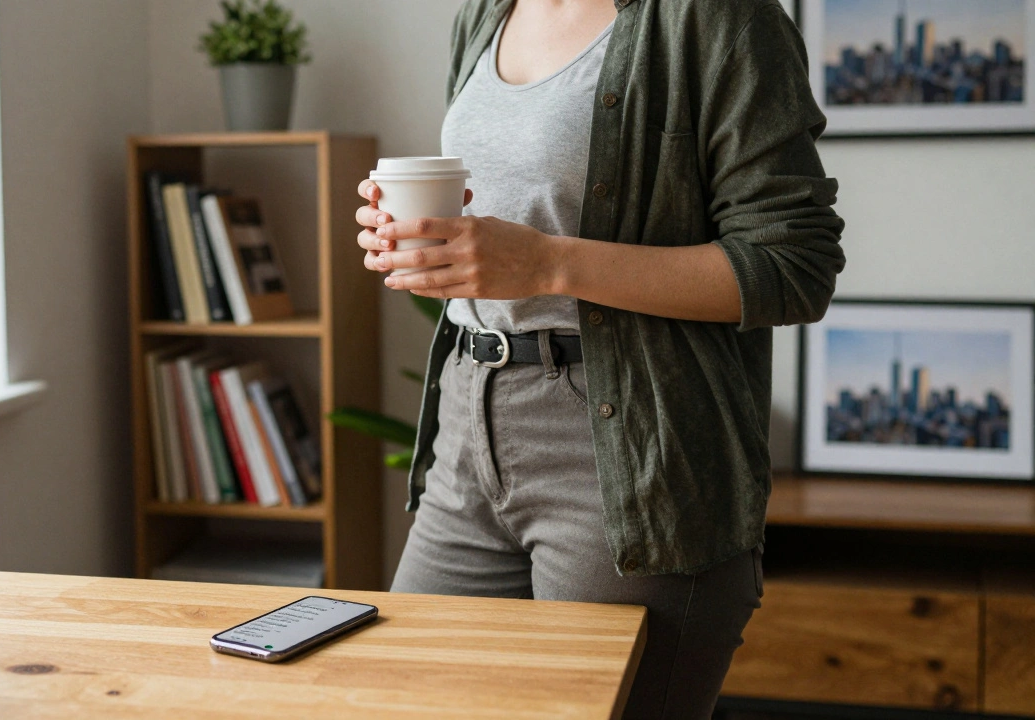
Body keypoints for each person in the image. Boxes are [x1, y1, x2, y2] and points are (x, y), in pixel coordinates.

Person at [354, 0, 844, 716]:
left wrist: (549, 264)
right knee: (405, 699)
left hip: (633, 454)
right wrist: (415, 232)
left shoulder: (717, 18)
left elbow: (794, 264)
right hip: (469, 429)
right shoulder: (485, 14)